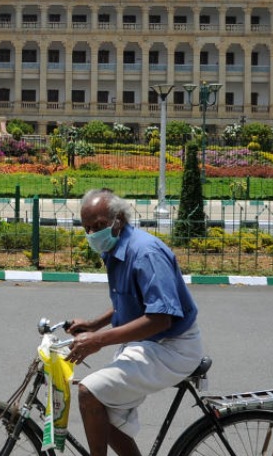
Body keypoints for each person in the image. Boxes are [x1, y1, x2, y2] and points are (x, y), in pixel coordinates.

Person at [64, 188, 203, 456]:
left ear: (119, 220)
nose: (93, 234)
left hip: (172, 347)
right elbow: (128, 301)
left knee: (88, 393)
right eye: (88, 228)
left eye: (99, 226)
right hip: (148, 344)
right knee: (102, 409)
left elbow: (161, 318)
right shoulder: (115, 248)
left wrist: (98, 341)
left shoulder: (145, 253)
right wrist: (94, 325)